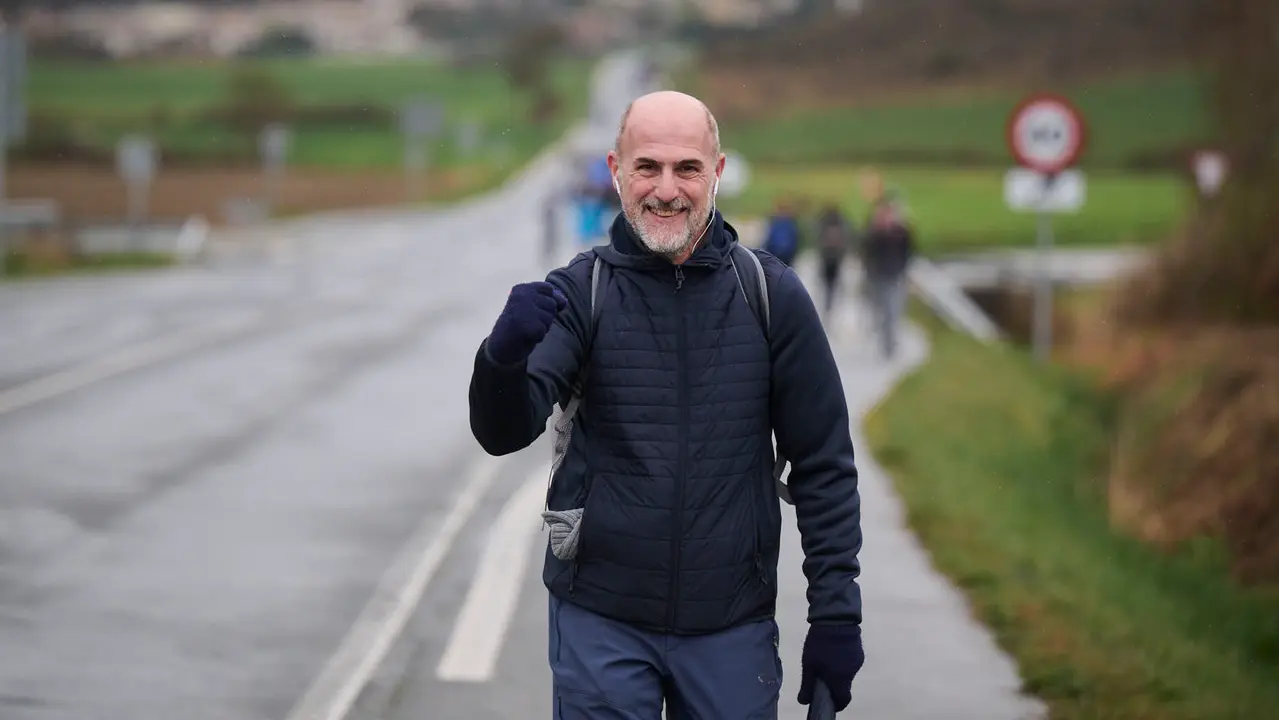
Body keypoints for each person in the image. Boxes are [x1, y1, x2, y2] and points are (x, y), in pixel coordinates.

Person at [468, 90, 864, 719]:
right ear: (616, 170)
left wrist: (837, 618)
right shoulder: (581, 292)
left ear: (718, 172)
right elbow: (503, 430)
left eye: (687, 169)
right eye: (647, 167)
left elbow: (823, 466)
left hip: (731, 624)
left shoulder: (770, 296)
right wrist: (501, 359)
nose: (667, 189)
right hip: (600, 619)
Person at [860, 198, 915, 359]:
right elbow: (865, 252)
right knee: (880, 310)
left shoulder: (901, 232)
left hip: (894, 275)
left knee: (892, 310)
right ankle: (885, 341)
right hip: (876, 276)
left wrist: (905, 270)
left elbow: (909, 252)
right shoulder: (873, 232)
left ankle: (889, 346)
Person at [814, 202, 856, 324]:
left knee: (828, 286)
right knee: (831, 286)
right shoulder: (841, 223)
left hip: (829, 259)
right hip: (832, 259)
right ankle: (829, 310)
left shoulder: (824, 222)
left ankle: (828, 310)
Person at [761, 198, 802, 266]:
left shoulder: (779, 223)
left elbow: (769, 239)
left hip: (780, 255)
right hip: (782, 255)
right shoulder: (790, 223)